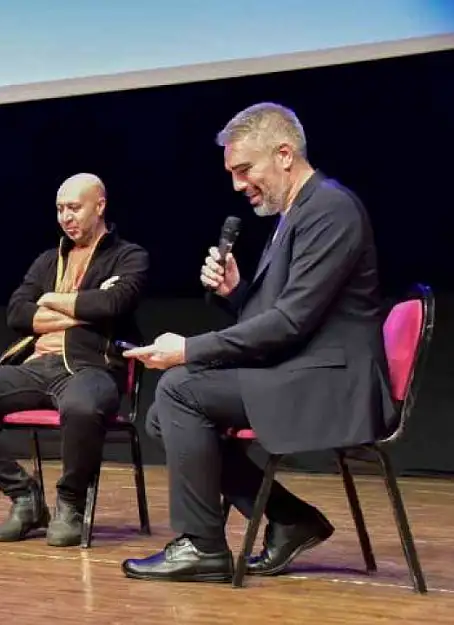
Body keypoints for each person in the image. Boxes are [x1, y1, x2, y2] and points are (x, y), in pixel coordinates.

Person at [120, 102, 393, 582]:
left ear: (285, 154)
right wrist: (236, 293)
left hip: (332, 382)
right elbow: (278, 318)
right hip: (304, 367)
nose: (238, 184)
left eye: (244, 169)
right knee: (166, 411)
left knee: (179, 389)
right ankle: (290, 519)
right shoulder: (295, 215)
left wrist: (189, 349)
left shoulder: (331, 210)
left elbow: (290, 323)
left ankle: (202, 546)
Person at [0, 173, 149, 546]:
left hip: (93, 367)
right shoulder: (47, 261)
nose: (65, 217)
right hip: (38, 366)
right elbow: (17, 314)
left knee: (82, 407)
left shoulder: (129, 256)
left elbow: (114, 303)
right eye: (59, 209)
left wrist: (50, 299)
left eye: (74, 207)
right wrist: (85, 306)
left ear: (99, 206)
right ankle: (25, 498)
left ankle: (70, 502)